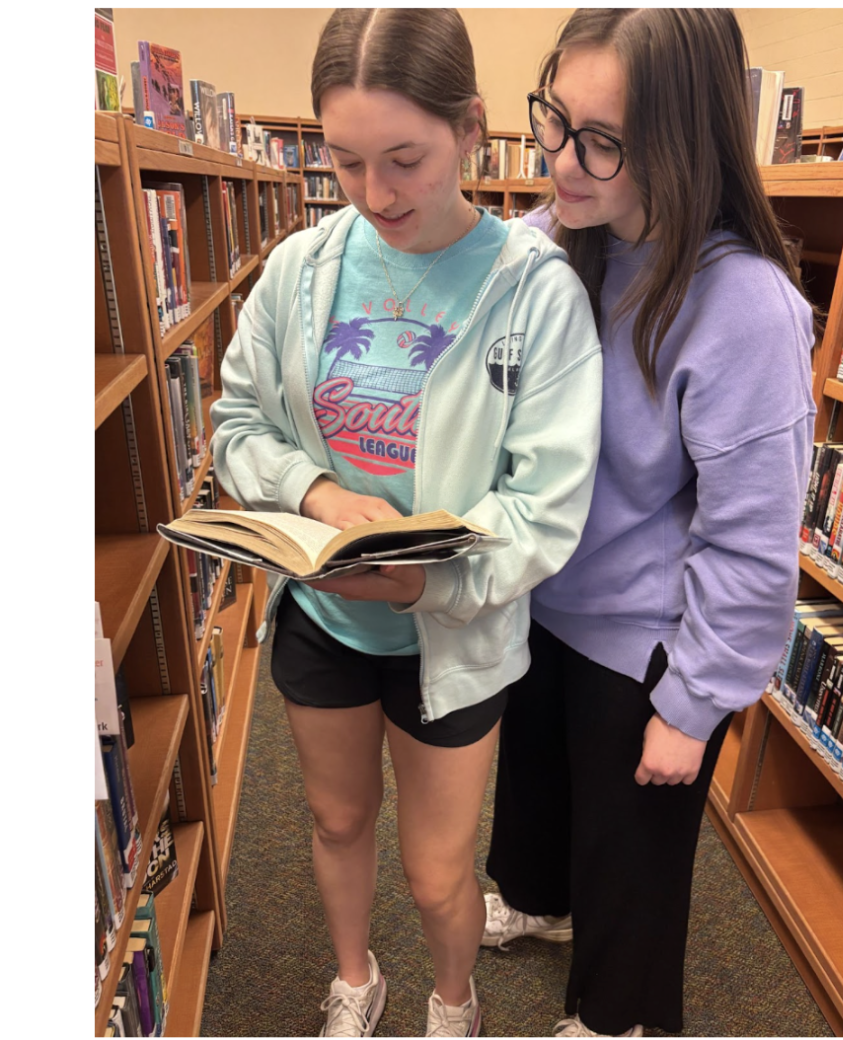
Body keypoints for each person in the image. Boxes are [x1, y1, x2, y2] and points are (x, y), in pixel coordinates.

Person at [209, 9, 604, 1037]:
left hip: (452, 635)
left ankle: (453, 998)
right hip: (322, 618)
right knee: (336, 818)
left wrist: (428, 580)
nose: (376, 194)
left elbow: (544, 504)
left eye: (406, 159)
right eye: (344, 160)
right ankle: (357, 979)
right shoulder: (299, 269)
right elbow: (239, 417)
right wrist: (318, 495)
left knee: (437, 873)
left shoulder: (537, 293)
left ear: (472, 129)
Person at [482, 9, 818, 1037]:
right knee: (539, 791)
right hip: (544, 597)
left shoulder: (744, 307)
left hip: (645, 639)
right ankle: (542, 902)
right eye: (554, 118)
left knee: (633, 853)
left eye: (603, 142)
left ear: (682, 144)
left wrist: (695, 701)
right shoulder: (550, 244)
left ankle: (614, 1015)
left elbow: (753, 541)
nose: (560, 161)